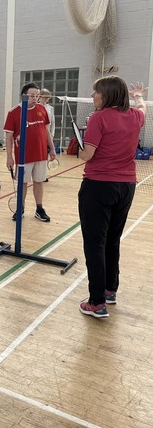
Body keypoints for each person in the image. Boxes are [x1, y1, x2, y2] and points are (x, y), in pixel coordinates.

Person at [78, 77, 147, 318]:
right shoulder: (135, 117)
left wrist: (78, 146)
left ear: (106, 95)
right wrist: (138, 95)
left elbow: (87, 155)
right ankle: (109, 290)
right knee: (112, 240)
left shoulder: (99, 118)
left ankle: (96, 302)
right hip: (126, 186)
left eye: (96, 92)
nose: (93, 96)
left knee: (95, 243)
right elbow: (142, 108)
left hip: (98, 186)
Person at [4, 82, 56, 222]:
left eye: (37, 96)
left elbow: (46, 131)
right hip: (23, 157)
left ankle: (39, 209)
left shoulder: (42, 109)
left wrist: (52, 148)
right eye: (32, 95)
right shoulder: (14, 112)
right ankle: (20, 208)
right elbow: (9, 137)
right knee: (23, 183)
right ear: (24, 96)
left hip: (40, 155)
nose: (35, 98)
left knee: (39, 182)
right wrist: (9, 157)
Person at [39, 89, 55, 182]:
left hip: (47, 135)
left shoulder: (50, 108)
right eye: (45, 98)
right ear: (40, 97)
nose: (46, 100)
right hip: (39, 135)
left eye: (48, 98)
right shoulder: (36, 107)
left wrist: (51, 134)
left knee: (45, 155)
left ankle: (43, 175)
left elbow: (52, 122)